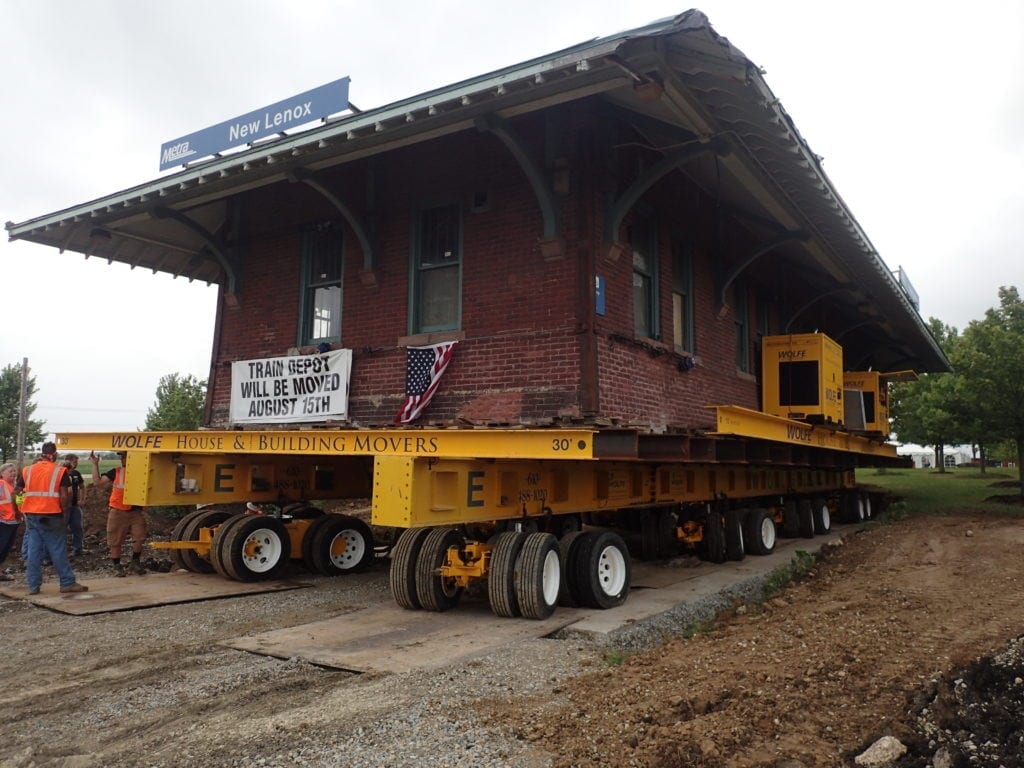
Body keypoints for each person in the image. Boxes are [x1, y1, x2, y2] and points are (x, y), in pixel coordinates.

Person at [18, 442, 88, 595]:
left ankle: (33, 586)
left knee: (34, 551)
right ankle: (67, 582)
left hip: (31, 515)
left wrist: (19, 509)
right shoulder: (60, 471)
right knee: (57, 549)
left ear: (42, 453)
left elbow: (17, 491)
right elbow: (64, 495)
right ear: (54, 454)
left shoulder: (28, 470)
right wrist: (64, 513)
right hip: (51, 515)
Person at [90, 450, 146, 576]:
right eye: (122, 457)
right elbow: (97, 483)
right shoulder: (116, 472)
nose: (123, 459)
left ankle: (135, 563)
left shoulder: (142, 472)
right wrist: (95, 464)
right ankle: (117, 567)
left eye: (125, 456)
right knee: (115, 541)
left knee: (139, 538)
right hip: (118, 511)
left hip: (136, 511)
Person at [0, 462, 23, 581]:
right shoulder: (1, 485)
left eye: (14, 471)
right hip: (4, 522)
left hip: (13, 521)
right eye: (10, 471)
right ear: (2, 474)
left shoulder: (15, 485)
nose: (13, 473)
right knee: (2, 546)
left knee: (7, 547)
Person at [62, 454, 88, 556]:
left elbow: (82, 487)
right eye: (75, 462)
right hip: (64, 507)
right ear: (68, 461)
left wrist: (82, 499)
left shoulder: (76, 474)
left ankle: (78, 548)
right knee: (61, 528)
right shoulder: (61, 473)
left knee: (77, 527)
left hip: (74, 505)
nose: (76, 464)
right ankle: (61, 551)